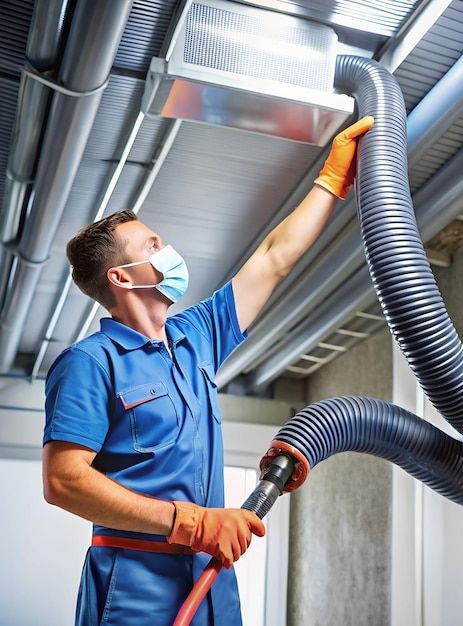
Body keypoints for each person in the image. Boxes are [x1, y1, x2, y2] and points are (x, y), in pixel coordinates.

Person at [42, 116, 374, 626]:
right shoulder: (89, 363)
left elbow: (273, 258)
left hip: (211, 581)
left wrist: (330, 180)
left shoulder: (194, 336)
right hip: (135, 587)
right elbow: (64, 482)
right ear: (120, 277)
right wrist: (188, 522)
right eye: (152, 246)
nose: (166, 250)